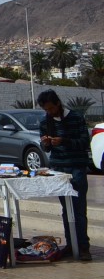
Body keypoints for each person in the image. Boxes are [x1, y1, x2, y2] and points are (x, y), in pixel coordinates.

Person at [38, 89, 91, 261]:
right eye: (47, 110)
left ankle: (83, 246)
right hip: (59, 168)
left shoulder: (76, 118)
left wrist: (65, 141)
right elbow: (47, 149)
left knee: (79, 209)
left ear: (58, 104)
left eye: (52, 109)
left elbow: (84, 142)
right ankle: (71, 243)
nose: (50, 112)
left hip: (76, 167)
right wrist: (46, 143)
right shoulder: (46, 121)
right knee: (66, 210)